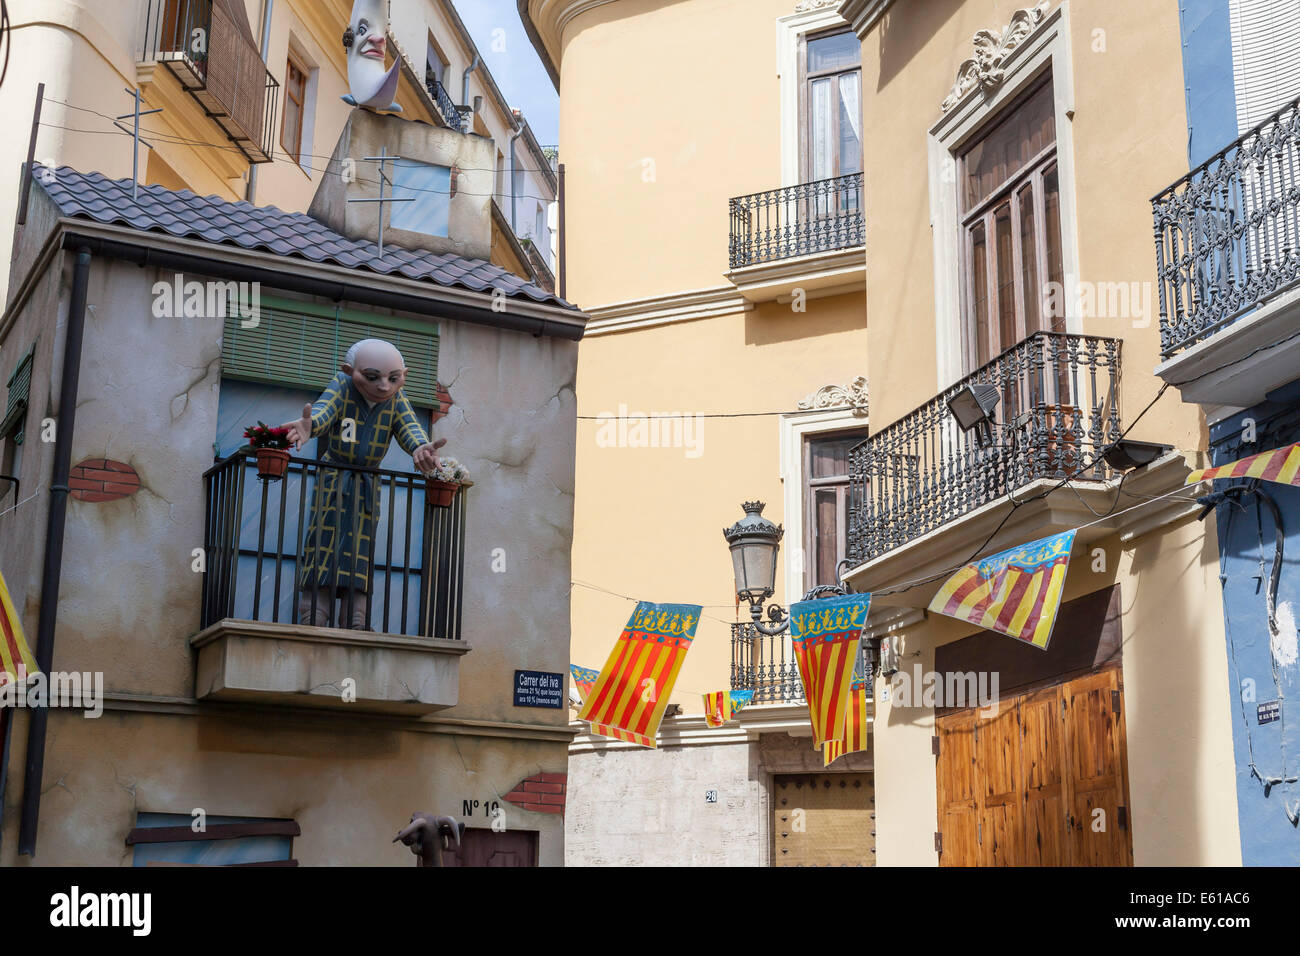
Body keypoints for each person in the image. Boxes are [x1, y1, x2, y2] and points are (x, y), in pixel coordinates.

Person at [281, 338, 443, 629]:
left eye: (393, 378)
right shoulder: (342, 387)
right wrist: (311, 426)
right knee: (323, 543)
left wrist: (421, 448)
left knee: (360, 550)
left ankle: (356, 619)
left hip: (368, 484)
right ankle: (314, 614)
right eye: (372, 377)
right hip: (333, 478)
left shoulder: (396, 399)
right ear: (349, 371)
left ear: (402, 376)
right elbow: (324, 411)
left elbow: (410, 428)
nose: (383, 386)